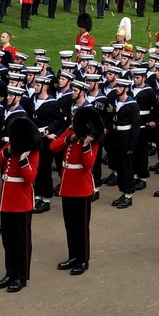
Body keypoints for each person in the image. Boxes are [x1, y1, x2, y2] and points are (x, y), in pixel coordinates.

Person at [50, 104, 102, 275]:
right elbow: (53, 147)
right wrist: (69, 139)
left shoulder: (92, 139)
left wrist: (86, 144)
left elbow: (88, 164)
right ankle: (73, 256)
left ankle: (83, 259)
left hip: (81, 188)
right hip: (67, 186)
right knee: (70, 225)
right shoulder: (70, 133)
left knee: (81, 227)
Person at [0, 116, 39, 292]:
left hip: (21, 202)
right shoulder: (9, 148)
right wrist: (7, 152)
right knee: (8, 241)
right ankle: (10, 273)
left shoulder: (32, 152)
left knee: (22, 242)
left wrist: (24, 160)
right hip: (7, 201)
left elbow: (30, 178)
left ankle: (21, 276)